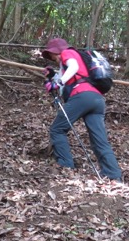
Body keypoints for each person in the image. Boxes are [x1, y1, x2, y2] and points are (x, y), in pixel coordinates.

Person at [41, 37, 122, 181]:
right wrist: (52, 77)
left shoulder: (68, 53)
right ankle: (114, 175)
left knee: (57, 129)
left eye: (52, 54)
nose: (52, 58)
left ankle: (65, 166)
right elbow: (66, 79)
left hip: (82, 96)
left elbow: (73, 68)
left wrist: (58, 82)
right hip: (96, 100)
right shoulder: (68, 64)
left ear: (57, 51)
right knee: (99, 139)